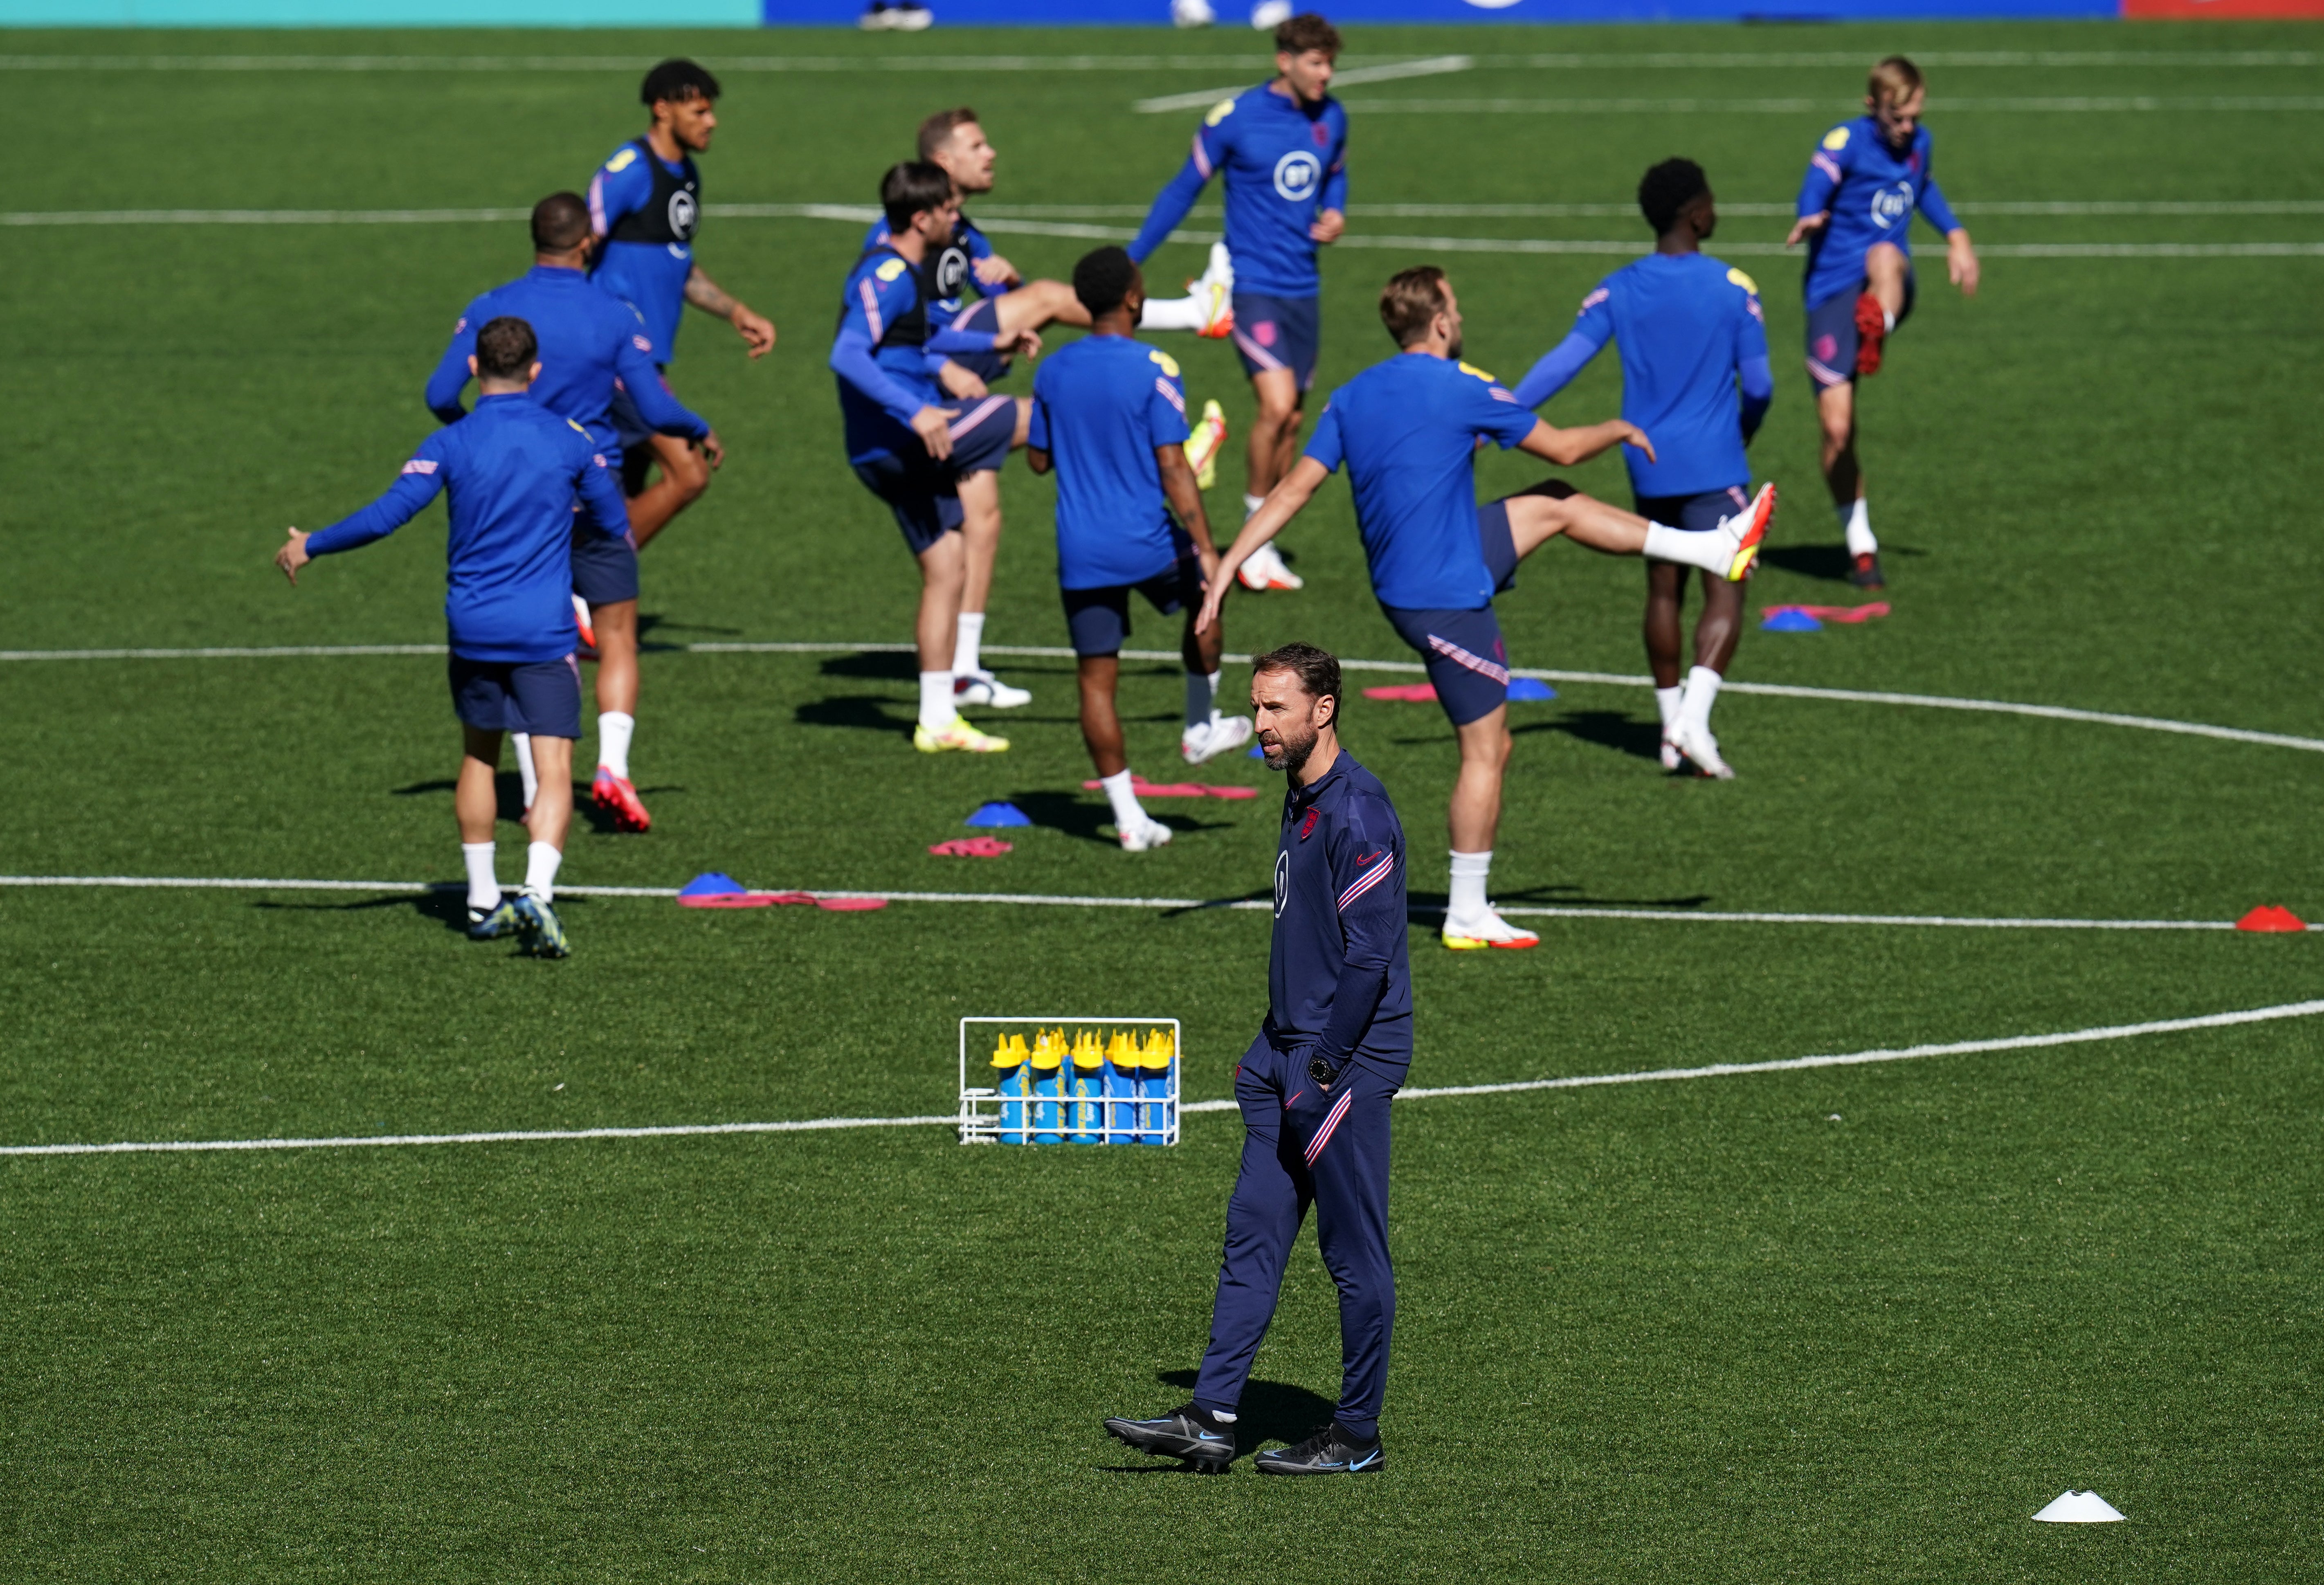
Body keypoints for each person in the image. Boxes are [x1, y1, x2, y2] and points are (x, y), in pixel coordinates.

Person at [1200, 267, 1771, 949]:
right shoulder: (1464, 386)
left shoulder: (1352, 397)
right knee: (1486, 750)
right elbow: (1562, 442)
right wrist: (1618, 427)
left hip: (1439, 558)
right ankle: (1466, 910)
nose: (1461, 315)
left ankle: (1713, 551)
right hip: (1441, 598)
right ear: (1440, 321)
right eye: (1456, 304)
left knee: (1556, 502)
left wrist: (1232, 560)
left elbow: (1292, 491)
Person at [1104, 643, 1404, 1476]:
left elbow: (1371, 960)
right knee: (1252, 1235)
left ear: (1324, 709)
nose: (1259, 724)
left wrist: (1320, 1066)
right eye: (1257, 706)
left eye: (1276, 709)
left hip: (1339, 1065)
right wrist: (1266, 1050)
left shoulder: (1358, 811)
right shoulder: (1302, 790)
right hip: (1283, 1057)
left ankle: (1356, 1433)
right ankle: (1212, 1413)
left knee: (1353, 1252)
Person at [273, 317, 626, 959]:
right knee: (552, 770)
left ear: (473, 368)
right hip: (543, 633)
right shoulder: (570, 441)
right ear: (536, 371)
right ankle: (538, 896)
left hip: (473, 629)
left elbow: (387, 515)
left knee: (478, 757)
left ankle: (481, 899)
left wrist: (310, 544)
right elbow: (611, 519)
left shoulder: (450, 441)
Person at [861, 109, 1236, 713]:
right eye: (976, 146)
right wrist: (950, 360)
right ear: (941, 165)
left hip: (953, 389)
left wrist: (996, 282)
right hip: (928, 390)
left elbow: (984, 299)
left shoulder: (962, 230)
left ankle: (963, 668)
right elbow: (890, 340)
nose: (991, 154)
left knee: (982, 522)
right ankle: (1194, 317)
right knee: (1041, 301)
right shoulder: (896, 243)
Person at [424, 193, 718, 833]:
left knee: (536, 644)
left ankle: (534, 791)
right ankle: (612, 766)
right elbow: (654, 405)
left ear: (533, 238)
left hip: (517, 500)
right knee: (616, 636)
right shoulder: (614, 313)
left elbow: (440, 394)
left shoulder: (488, 308)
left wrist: (485, 439)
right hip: (591, 487)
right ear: (586, 243)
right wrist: (700, 426)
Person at [1512, 158, 1775, 780]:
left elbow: (1563, 361)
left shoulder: (1618, 287)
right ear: (1695, 213)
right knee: (1725, 586)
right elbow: (1759, 384)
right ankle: (1694, 721)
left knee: (1663, 589)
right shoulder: (1733, 286)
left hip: (1648, 465)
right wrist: (1743, 429)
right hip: (1715, 462)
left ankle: (1666, 730)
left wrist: (1502, 410)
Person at [1026, 248, 1251, 851]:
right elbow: (1174, 465)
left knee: (1096, 684)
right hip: (1147, 541)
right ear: (1132, 300)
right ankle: (1199, 727)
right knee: (1206, 602)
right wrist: (1206, 546)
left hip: (1081, 549)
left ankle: (1128, 820)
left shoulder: (1053, 369)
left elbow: (1037, 460)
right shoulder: (1154, 364)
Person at [1128, 10, 1349, 594]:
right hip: (1250, 285)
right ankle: (1253, 539)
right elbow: (1182, 190)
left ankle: (1263, 542)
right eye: (1315, 63)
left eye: (1330, 63)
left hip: (1304, 285)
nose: (1325, 74)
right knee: (1275, 408)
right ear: (1285, 61)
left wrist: (1335, 211)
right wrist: (1133, 259)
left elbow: (1336, 175)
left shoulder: (1332, 117)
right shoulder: (1234, 119)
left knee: (1295, 418)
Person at [831, 161, 1042, 755]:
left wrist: (990, 342)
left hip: (897, 439)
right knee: (1035, 413)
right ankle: (1173, 452)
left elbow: (922, 340)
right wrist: (915, 410)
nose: (959, 219)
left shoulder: (912, 272)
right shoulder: (889, 271)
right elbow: (847, 354)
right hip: (900, 437)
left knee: (946, 565)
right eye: (949, 212)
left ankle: (936, 718)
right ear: (922, 218)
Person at [1786, 54, 1978, 590]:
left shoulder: (1919, 144)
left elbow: (1923, 188)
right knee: (1836, 429)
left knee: (1884, 256)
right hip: (1829, 291)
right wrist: (1810, 213)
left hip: (1883, 281)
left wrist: (1956, 236)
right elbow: (1814, 184)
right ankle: (1861, 544)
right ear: (1872, 107)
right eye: (1898, 118)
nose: (1908, 128)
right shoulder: (1844, 141)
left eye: (1914, 116)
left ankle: (1879, 324)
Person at [588, 58, 775, 547]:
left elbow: (679, 265)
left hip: (650, 361)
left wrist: (736, 311)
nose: (711, 122)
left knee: (625, 496)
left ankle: (594, 601)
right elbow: (577, 245)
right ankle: (578, 582)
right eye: (700, 111)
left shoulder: (685, 174)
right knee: (689, 474)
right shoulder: (630, 169)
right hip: (615, 358)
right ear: (663, 109)